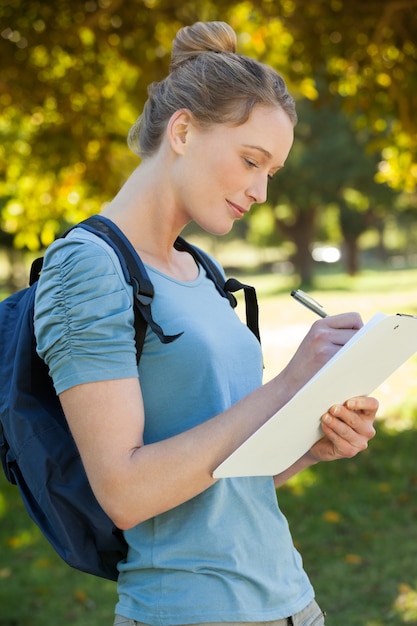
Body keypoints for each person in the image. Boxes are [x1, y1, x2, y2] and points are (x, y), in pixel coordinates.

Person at [33, 20, 378, 626]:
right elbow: (125, 493)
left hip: (293, 603)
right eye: (252, 161)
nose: (262, 192)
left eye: (272, 171)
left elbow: (226, 478)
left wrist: (310, 445)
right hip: (186, 611)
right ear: (184, 130)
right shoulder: (87, 266)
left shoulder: (202, 267)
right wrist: (288, 386)